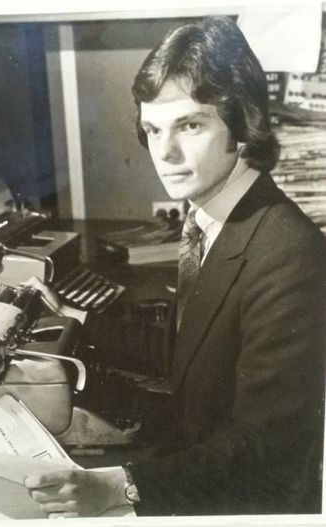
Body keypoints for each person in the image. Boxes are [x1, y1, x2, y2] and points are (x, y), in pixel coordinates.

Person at [24, 15, 326, 516]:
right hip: (201, 464)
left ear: (242, 122)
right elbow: (191, 352)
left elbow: (263, 443)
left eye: (190, 125)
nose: (165, 153)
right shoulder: (211, 217)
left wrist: (120, 487)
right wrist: (78, 325)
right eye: (152, 128)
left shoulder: (289, 254)